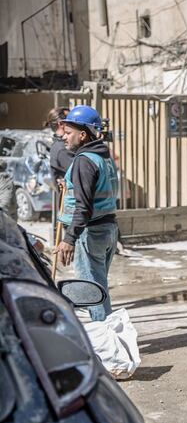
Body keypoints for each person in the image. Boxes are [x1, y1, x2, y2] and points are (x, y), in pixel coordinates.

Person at [55, 105, 119, 321]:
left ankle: (105, 345)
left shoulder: (84, 161)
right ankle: (106, 336)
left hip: (90, 234)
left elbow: (84, 206)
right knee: (98, 288)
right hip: (108, 229)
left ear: (83, 135)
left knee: (91, 292)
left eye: (69, 132)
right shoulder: (103, 156)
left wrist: (69, 238)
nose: (64, 136)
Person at [45, 107, 75, 181]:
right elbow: (81, 172)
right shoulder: (62, 149)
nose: (75, 123)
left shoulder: (61, 145)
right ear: (61, 124)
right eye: (70, 120)